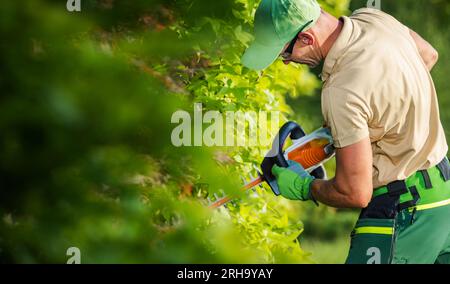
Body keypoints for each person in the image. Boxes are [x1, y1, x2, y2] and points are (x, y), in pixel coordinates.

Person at [241, 0, 450, 264]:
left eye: (285, 53)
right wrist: (364, 127)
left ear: (306, 37)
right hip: (444, 194)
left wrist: (304, 187)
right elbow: (428, 55)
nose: (286, 63)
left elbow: (355, 192)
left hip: (404, 212)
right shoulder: (373, 19)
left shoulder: (341, 91)